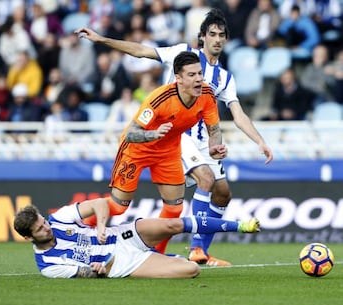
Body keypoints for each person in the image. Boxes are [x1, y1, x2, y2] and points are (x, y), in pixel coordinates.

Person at [75, 8, 273, 266]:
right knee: (206, 178)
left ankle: (186, 250)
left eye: (221, 35)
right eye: (211, 34)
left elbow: (237, 114)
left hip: (202, 142)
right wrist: (102, 40)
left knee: (222, 193)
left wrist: (259, 140)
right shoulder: (181, 55)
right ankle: (196, 249)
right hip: (175, 135)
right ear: (202, 37)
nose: (216, 39)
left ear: (226, 39)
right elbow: (140, 50)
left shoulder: (224, 78)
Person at [81, 51, 227, 255]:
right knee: (118, 207)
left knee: (175, 209)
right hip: (136, 150)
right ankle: (77, 227)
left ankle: (155, 254)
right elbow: (131, 133)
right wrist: (154, 134)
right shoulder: (160, 98)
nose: (198, 79)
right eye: (192, 75)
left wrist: (214, 147)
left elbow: (214, 130)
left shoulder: (206, 94)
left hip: (168, 152)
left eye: (200, 74)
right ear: (178, 78)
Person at [13, 197, 260, 279]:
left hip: (122, 236)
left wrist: (100, 225)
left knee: (173, 223)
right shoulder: (49, 267)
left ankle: (240, 225)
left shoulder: (60, 219)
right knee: (191, 269)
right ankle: (163, 259)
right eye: (40, 229)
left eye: (43, 221)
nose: (47, 227)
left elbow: (99, 203)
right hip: (120, 263)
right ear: (28, 238)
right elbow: (86, 273)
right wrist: (97, 269)